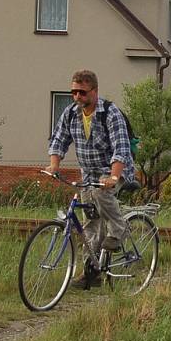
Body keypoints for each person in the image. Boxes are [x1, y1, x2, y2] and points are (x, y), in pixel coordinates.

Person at [47, 70, 135, 288]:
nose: (77, 96)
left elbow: (121, 148)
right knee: (90, 222)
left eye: (82, 92)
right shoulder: (70, 113)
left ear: (94, 91)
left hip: (115, 171)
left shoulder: (110, 113)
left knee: (100, 192)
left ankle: (119, 230)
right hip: (88, 174)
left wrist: (114, 176)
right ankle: (91, 272)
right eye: (74, 92)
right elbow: (59, 139)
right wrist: (54, 165)